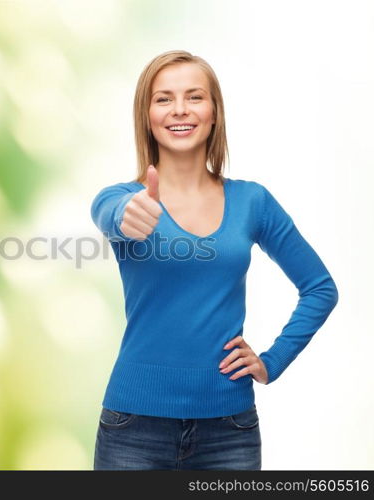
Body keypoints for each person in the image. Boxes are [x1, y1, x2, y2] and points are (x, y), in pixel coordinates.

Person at [89, 50, 339, 470]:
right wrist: (127, 215)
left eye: (194, 97)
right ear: (146, 114)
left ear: (214, 112)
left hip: (229, 432)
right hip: (133, 429)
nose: (180, 110)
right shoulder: (121, 199)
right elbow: (110, 215)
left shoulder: (252, 201)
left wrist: (272, 361)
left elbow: (319, 288)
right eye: (164, 98)